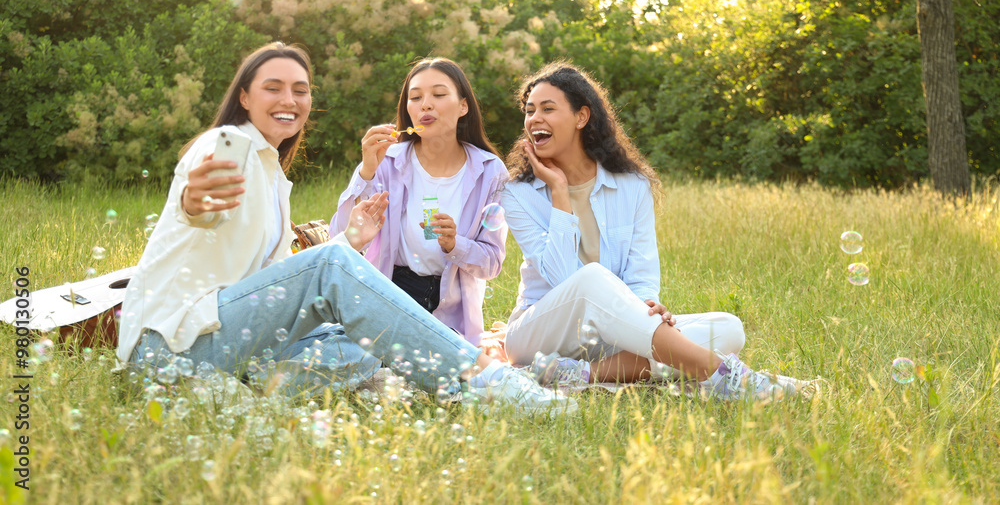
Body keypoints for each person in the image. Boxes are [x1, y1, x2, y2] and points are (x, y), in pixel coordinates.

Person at [115, 42, 575, 414]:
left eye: (301, 89)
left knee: (365, 346)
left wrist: (354, 239)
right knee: (340, 278)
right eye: (273, 87)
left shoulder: (273, 172)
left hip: (228, 334)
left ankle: (237, 390)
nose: (289, 100)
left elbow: (279, 288)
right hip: (170, 345)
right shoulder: (225, 146)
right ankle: (488, 384)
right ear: (245, 97)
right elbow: (200, 203)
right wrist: (195, 203)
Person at [500, 62, 817, 399]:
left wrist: (646, 308)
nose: (535, 119)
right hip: (540, 335)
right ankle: (726, 377)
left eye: (548, 109)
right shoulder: (517, 193)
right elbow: (563, 278)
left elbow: (641, 272)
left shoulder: (633, 185)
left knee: (728, 328)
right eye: (530, 110)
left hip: (608, 337)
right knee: (592, 278)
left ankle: (578, 373)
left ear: (581, 117)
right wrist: (560, 193)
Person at [332, 58, 507, 345]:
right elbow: (342, 237)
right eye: (415, 97)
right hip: (390, 295)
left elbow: (492, 264)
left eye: (438, 95)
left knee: (441, 372)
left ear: (463, 106)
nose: (426, 104)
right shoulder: (386, 162)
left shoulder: (490, 172)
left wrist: (455, 245)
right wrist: (365, 171)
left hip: (451, 311)